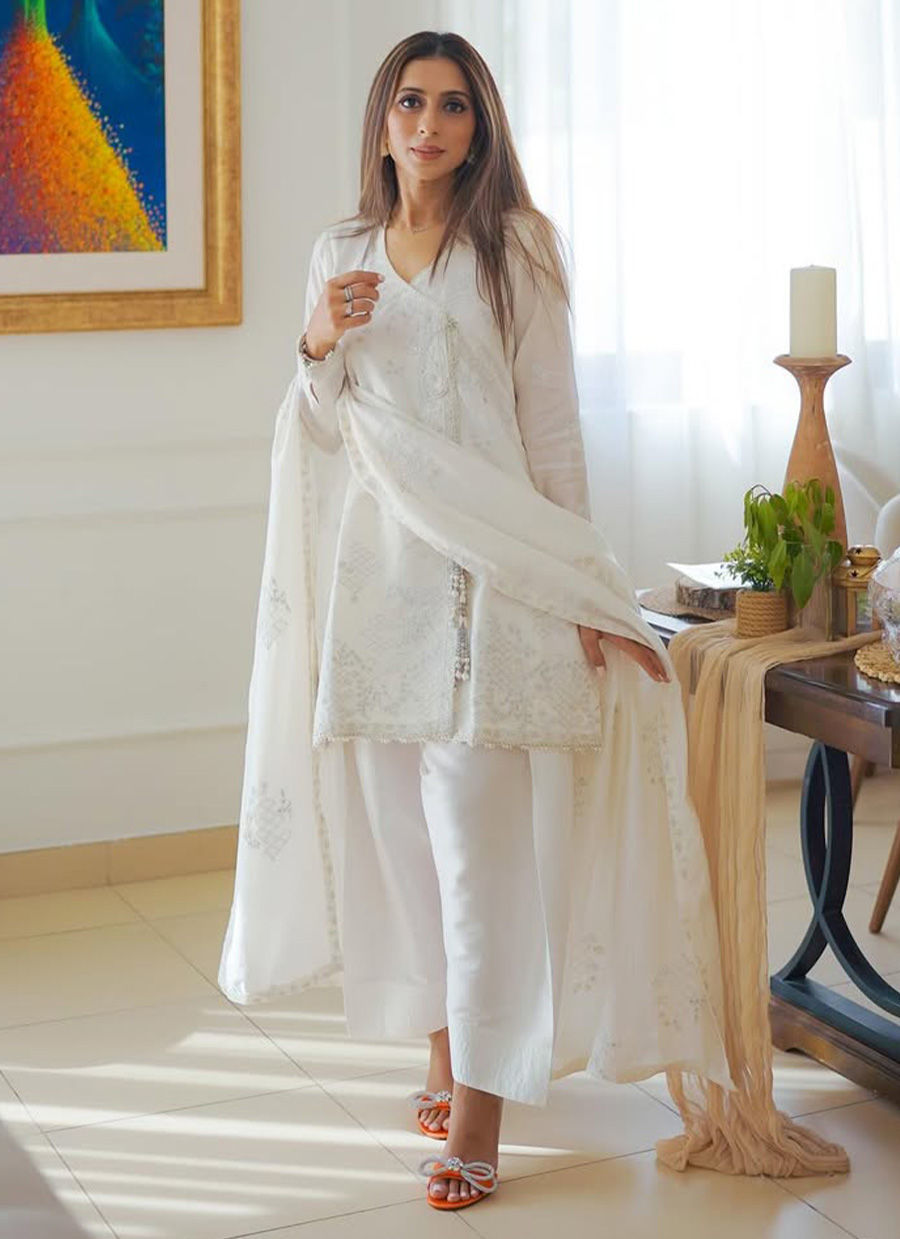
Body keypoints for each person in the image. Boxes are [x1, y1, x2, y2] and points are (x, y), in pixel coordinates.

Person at [218, 29, 736, 1214]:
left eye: (454, 106)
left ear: (480, 125)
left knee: (481, 861)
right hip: (381, 596)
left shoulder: (517, 250)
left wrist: (586, 590)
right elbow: (321, 424)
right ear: (383, 120)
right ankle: (447, 1059)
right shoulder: (340, 253)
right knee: (406, 852)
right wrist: (316, 341)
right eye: (411, 102)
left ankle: (482, 1118)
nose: (430, 125)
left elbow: (550, 431)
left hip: (499, 592)